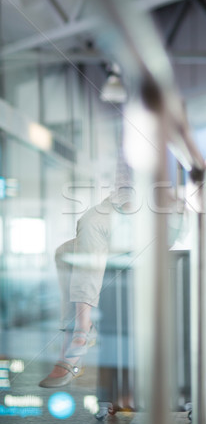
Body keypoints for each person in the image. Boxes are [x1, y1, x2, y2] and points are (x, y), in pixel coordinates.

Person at [39, 151, 135, 388]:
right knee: (65, 253)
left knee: (91, 223)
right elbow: (124, 188)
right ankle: (73, 330)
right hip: (125, 211)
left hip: (154, 218)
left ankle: (82, 330)